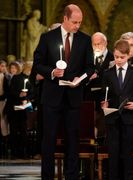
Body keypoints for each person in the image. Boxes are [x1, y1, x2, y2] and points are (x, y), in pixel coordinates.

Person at [33, 4, 94, 179]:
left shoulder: (84, 39)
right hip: (52, 97)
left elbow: (90, 67)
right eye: (74, 22)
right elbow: (37, 64)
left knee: (73, 140)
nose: (77, 26)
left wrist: (80, 79)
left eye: (80, 23)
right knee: (49, 140)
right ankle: (47, 176)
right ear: (65, 19)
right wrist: (52, 72)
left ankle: (72, 176)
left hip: (74, 97)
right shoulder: (47, 38)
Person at [100, 39, 133, 180]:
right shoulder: (107, 73)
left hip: (129, 118)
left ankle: (128, 176)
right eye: (116, 57)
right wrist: (104, 103)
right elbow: (104, 93)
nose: (118, 60)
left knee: (127, 151)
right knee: (113, 151)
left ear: (128, 55)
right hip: (112, 118)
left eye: (122, 57)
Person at [85, 32, 114, 140]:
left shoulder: (112, 58)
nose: (97, 47)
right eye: (94, 44)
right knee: (90, 126)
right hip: (90, 97)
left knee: (104, 127)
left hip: (106, 97)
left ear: (105, 43)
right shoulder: (88, 58)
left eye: (99, 44)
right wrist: (88, 77)